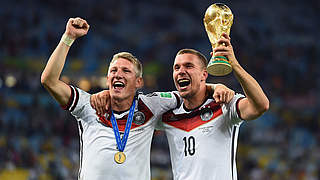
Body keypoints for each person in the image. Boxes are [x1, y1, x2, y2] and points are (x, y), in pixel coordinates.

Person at [40, 17, 235, 180]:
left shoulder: (153, 104)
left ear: (139, 82)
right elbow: (49, 80)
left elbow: (192, 91)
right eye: (113, 71)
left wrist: (216, 86)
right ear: (108, 79)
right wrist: (68, 37)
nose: (118, 75)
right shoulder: (88, 105)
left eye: (126, 71)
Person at [91, 34, 269, 180]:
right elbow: (128, 104)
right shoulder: (167, 115)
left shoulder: (223, 104)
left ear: (204, 74)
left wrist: (234, 65)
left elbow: (260, 105)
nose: (181, 71)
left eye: (188, 66)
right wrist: (108, 94)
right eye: (176, 67)